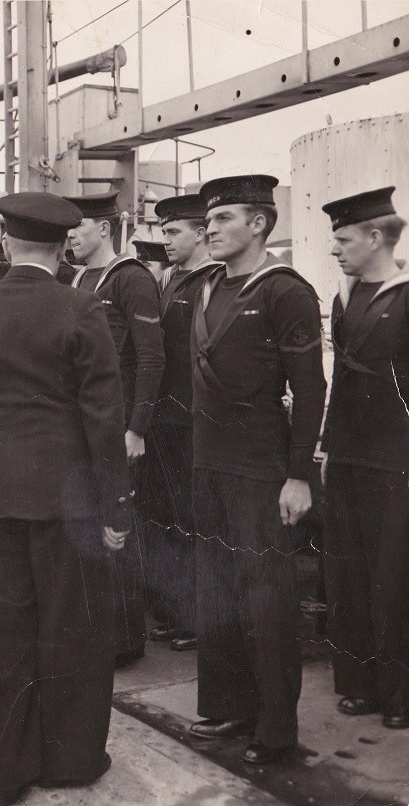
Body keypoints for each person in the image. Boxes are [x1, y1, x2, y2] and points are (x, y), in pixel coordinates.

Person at [0, 193, 132, 805]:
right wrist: (115, 505)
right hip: (68, 501)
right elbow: (103, 415)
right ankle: (70, 761)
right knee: (72, 628)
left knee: (2, 632)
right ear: (61, 246)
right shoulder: (81, 308)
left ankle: (7, 770)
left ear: (5, 244)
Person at [188, 175, 326, 764]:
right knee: (217, 593)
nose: (211, 230)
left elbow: (311, 389)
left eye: (223, 219)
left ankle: (276, 729)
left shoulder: (285, 291)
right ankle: (231, 707)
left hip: (261, 469)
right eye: (208, 221)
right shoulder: (208, 287)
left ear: (260, 223)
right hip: (209, 463)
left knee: (266, 599)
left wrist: (298, 475)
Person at [320, 186, 409, 730]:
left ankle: (400, 694)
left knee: (393, 576)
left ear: (376, 237)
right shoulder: (344, 296)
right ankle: (359, 684)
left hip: (396, 458)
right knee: (347, 574)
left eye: (344, 240)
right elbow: (341, 384)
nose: (335, 250)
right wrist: (328, 447)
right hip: (350, 456)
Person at [66, 189, 164, 668]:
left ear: (104, 228)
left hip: (119, 422)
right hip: (87, 420)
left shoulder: (131, 278)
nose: (70, 238)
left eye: (78, 228)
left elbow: (151, 357)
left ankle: (124, 640)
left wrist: (137, 428)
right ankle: (96, 631)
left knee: (119, 526)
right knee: (91, 526)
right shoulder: (79, 278)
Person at [141, 195, 221, 653]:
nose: (166, 240)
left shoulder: (211, 280)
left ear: (200, 233)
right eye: (164, 232)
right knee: (168, 517)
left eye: (174, 232)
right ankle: (176, 612)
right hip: (165, 419)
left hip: (192, 418)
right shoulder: (171, 281)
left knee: (192, 519)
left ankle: (196, 618)